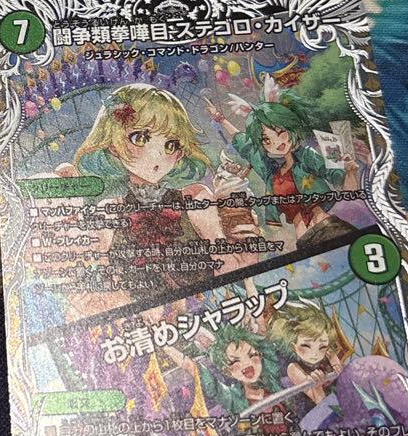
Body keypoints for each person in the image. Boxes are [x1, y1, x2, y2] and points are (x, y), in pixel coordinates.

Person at [59, 84, 259, 291]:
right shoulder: (111, 209)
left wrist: (236, 208)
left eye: (171, 145)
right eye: (139, 138)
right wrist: (68, 205)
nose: (157, 155)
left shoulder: (195, 198)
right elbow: (90, 264)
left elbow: (229, 265)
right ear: (113, 145)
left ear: (180, 152)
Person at [206, 95, 360, 249]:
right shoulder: (269, 171)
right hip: (304, 240)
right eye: (266, 140)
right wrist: (221, 119)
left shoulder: (307, 156)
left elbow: (350, 191)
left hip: (329, 228)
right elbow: (246, 145)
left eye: (280, 132)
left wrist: (350, 172)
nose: (276, 142)